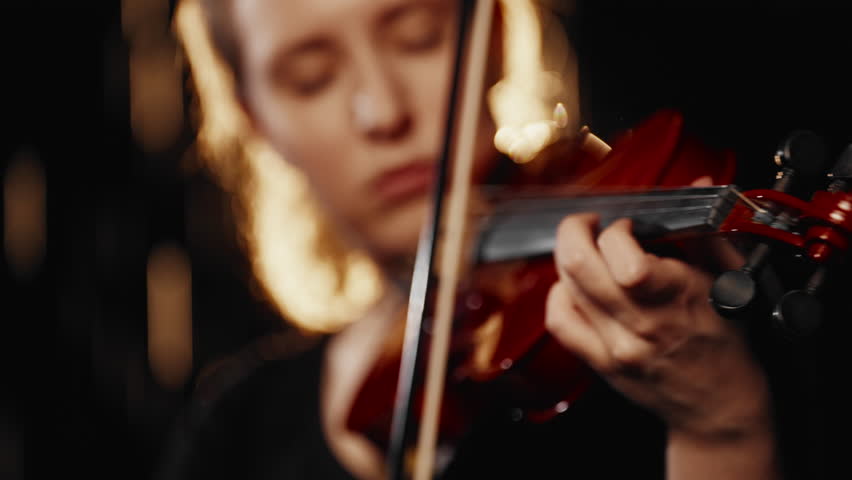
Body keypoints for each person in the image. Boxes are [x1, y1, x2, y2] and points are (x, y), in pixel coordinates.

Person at [158, 1, 786, 479]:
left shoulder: (673, 337)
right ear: (257, 120)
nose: (384, 110)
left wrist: (724, 430)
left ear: (496, 37)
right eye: (312, 77)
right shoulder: (235, 431)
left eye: (419, 38)